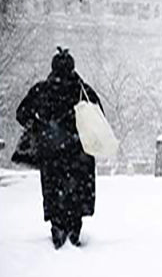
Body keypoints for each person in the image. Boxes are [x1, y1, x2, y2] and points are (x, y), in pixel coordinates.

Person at [16, 48, 102, 249]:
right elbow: (100, 119)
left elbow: (21, 113)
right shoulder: (84, 92)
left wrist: (39, 126)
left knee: (54, 190)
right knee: (77, 191)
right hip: (78, 152)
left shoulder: (42, 90)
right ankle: (74, 229)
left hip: (51, 152)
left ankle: (57, 227)